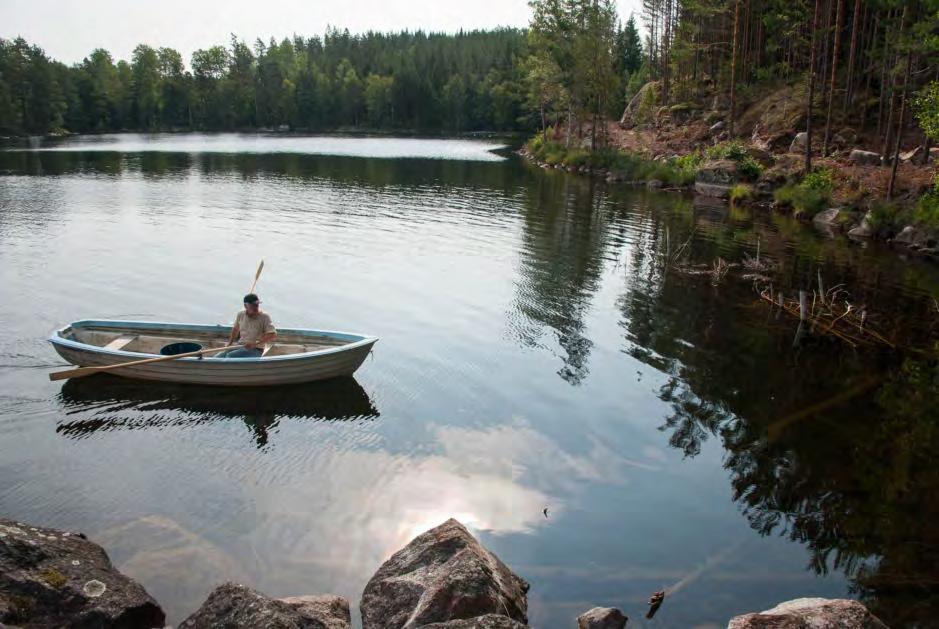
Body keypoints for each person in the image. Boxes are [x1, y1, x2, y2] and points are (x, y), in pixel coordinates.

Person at [218, 293, 277, 358]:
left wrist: (255, 344)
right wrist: (230, 343)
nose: (256, 307)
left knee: (230, 356)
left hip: (256, 349)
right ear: (245, 306)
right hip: (240, 346)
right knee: (219, 356)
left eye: (257, 305)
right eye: (253, 305)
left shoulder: (264, 317)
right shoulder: (240, 314)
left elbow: (272, 334)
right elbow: (235, 329)